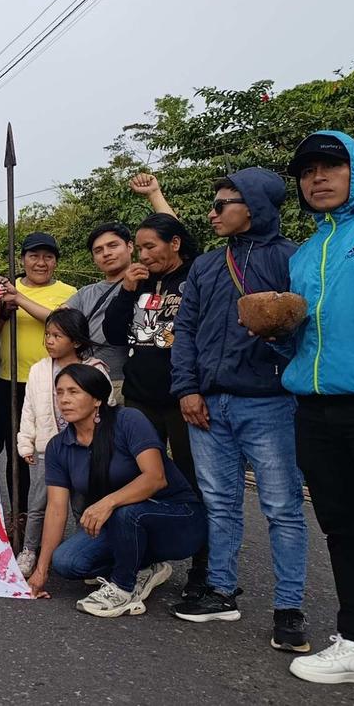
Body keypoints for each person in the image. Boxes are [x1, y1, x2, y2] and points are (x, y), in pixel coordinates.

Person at [168, 167, 309, 649]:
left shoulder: (293, 258)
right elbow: (185, 330)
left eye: (221, 204)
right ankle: (221, 592)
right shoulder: (207, 265)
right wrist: (187, 389)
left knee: (283, 507)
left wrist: (275, 338)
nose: (212, 213)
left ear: (254, 206)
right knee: (220, 503)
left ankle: (289, 608)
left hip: (270, 403)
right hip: (208, 403)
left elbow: (308, 331)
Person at [278, 132, 354, 687]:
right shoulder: (305, 253)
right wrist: (274, 332)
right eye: (307, 171)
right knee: (342, 527)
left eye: (329, 167)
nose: (317, 179)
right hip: (315, 407)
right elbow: (304, 339)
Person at [26, 364, 207, 618]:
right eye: (59, 393)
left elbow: (155, 478)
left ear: (97, 399)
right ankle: (144, 568)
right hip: (121, 524)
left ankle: (124, 589)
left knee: (126, 512)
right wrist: (41, 571)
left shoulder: (128, 420)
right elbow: (56, 509)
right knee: (67, 562)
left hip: (178, 519)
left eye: (74, 392)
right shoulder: (59, 446)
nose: (64, 400)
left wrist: (107, 502)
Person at [103, 212, 208, 598]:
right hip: (139, 397)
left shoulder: (195, 275)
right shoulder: (139, 281)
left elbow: (194, 334)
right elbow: (114, 333)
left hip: (182, 398)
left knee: (193, 480)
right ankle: (139, 558)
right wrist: (127, 291)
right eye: (141, 248)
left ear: (174, 244)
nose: (143, 255)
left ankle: (203, 567)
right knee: (133, 475)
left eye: (151, 247)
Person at [16, 309, 110, 576]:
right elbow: (28, 409)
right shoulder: (38, 370)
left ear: (76, 341)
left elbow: (107, 409)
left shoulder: (94, 370)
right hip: (46, 449)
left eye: (57, 335)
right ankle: (29, 550)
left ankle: (86, 552)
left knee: (82, 504)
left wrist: (101, 445)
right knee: (37, 505)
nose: (49, 340)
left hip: (83, 450)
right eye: (47, 334)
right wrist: (26, 442)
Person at [0, 232, 77, 521]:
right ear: (22, 260)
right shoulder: (5, 289)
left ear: (56, 262)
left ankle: (54, 517)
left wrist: (19, 299)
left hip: (53, 383)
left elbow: (61, 324)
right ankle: (19, 515)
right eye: (34, 256)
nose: (40, 263)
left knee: (54, 451)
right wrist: (3, 309)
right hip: (9, 381)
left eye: (48, 257)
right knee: (17, 452)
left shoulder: (69, 292)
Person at [64, 222, 134, 406]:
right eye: (98, 250)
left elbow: (171, 235)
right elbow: (59, 319)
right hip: (90, 381)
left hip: (128, 382)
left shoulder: (147, 280)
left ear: (130, 246)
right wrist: (19, 298)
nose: (106, 253)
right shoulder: (85, 292)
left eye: (113, 245)